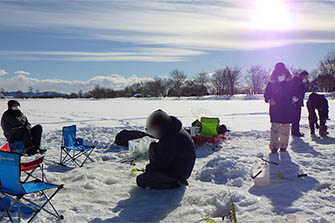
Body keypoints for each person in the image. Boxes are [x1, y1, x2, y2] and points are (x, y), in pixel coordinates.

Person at [136, 110, 196, 189]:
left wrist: (150, 169)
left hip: (177, 172)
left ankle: (175, 183)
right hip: (173, 163)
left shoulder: (172, 138)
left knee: (141, 180)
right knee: (153, 146)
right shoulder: (170, 130)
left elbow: (163, 163)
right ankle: (157, 175)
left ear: (160, 125)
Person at [264, 62, 294, 153]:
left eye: (282, 72)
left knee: (285, 128)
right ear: (275, 73)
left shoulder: (290, 83)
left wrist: (294, 99)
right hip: (275, 109)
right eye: (278, 73)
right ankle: (273, 147)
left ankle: (283, 146)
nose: (281, 74)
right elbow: (266, 95)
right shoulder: (271, 83)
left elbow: (296, 93)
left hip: (287, 108)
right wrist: (270, 100)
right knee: (275, 128)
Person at [290, 71, 309, 137]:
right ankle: (295, 132)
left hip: (298, 102)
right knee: (295, 117)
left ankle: (295, 131)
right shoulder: (295, 81)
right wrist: (294, 99)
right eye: (305, 77)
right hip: (295, 102)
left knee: (297, 117)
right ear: (302, 76)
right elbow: (293, 91)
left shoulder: (301, 82)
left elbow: (302, 92)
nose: (306, 78)